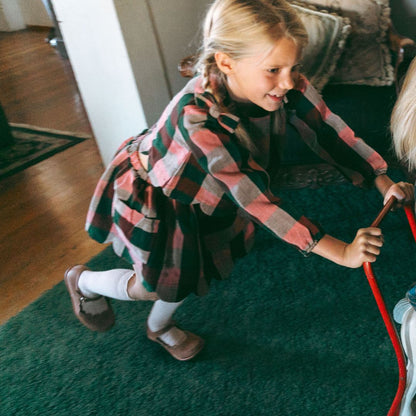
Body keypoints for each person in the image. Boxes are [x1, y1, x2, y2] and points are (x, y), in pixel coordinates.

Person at [65, 0, 414, 361]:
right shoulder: (196, 123)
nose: (288, 82)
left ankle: (157, 327)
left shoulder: (285, 81)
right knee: (156, 286)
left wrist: (380, 177)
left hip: (212, 192)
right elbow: (256, 201)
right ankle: (86, 282)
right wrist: (340, 252)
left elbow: (327, 129)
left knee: (189, 273)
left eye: (294, 68)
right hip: (165, 196)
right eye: (274, 70)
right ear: (226, 63)